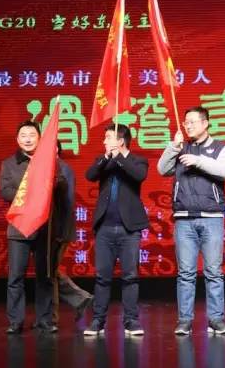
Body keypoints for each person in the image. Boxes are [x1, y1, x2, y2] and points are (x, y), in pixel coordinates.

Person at [157, 106, 225, 335]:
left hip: (212, 218)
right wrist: (173, 147)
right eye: (186, 122)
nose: (188, 126)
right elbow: (162, 169)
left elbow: (224, 171)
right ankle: (184, 320)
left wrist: (198, 160)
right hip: (184, 218)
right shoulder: (181, 147)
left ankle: (216, 319)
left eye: (192, 122)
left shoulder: (221, 147)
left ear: (205, 123)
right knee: (186, 273)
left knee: (214, 272)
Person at [0, 120, 67, 334]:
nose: (27, 139)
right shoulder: (8, 164)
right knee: (15, 277)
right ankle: (15, 321)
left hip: (44, 229)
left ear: (39, 139)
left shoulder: (50, 162)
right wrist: (31, 193)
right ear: (17, 139)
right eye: (23, 135)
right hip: (19, 228)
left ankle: (44, 319)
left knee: (44, 276)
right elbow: (5, 191)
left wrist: (51, 180)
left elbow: (62, 185)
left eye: (32, 135)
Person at [84, 124, 149, 336]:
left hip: (129, 229)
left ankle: (131, 321)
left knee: (130, 276)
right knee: (102, 277)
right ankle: (98, 321)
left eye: (108, 137)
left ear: (120, 141)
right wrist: (106, 158)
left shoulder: (138, 160)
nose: (104, 141)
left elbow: (138, 175)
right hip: (104, 228)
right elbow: (90, 175)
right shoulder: (104, 160)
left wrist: (119, 157)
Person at [51, 140, 93, 331]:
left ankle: (51, 318)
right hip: (44, 230)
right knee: (49, 272)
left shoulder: (63, 169)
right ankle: (81, 299)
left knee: (50, 272)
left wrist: (61, 231)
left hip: (59, 229)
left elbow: (67, 204)